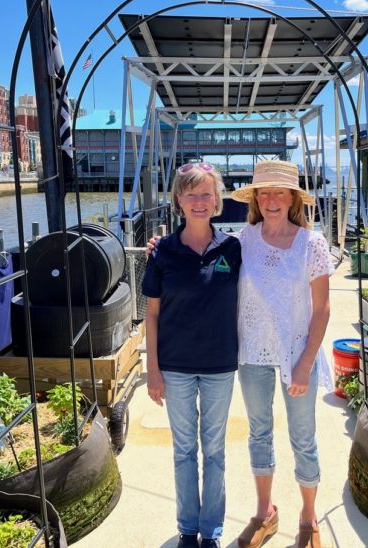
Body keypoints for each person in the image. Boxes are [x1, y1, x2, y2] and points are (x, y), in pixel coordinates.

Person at [230, 160, 333, 548]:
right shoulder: (244, 239)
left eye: (280, 191)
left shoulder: (313, 244)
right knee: (259, 432)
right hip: (252, 351)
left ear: (293, 198)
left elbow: (322, 309)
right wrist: (160, 246)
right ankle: (265, 513)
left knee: (303, 436)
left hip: (296, 354)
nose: (272, 199)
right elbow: (205, 260)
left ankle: (309, 517)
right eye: (265, 192)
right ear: (256, 198)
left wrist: (306, 363)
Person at [142, 162, 242, 548]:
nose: (199, 202)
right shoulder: (163, 251)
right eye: (191, 194)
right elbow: (150, 314)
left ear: (217, 199)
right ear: (178, 200)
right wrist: (153, 368)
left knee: (214, 451)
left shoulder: (232, 248)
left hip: (219, 365)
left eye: (206, 194)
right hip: (176, 366)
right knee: (184, 450)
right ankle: (187, 528)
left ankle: (211, 531)